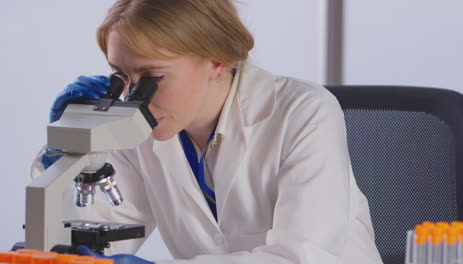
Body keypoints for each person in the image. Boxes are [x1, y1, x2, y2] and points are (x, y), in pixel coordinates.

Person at [31, 0, 383, 263]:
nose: (131, 97)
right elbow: (90, 237)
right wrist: (66, 151)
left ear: (216, 61)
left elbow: (303, 256)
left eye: (151, 78)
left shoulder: (304, 112)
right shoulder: (137, 130)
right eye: (121, 77)